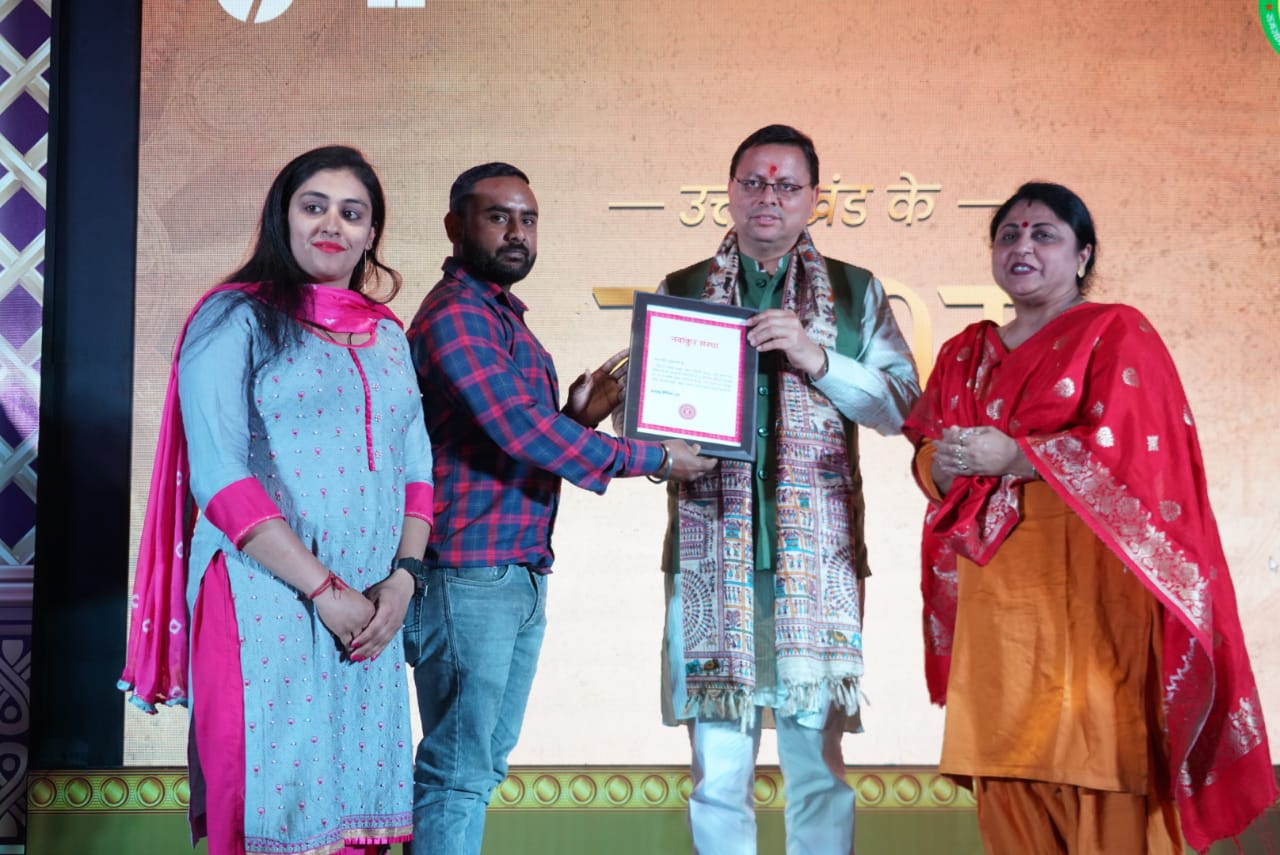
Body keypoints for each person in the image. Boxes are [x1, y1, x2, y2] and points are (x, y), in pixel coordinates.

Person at [903, 181, 1277, 854]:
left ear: (1083, 255)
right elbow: (928, 454)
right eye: (1009, 235)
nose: (1022, 246)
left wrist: (1017, 455)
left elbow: (1137, 457)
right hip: (996, 613)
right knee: (1006, 772)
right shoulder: (965, 351)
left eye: (1044, 234)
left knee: (1102, 763)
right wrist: (946, 466)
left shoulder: (1115, 332)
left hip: (1093, 600)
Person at [119, 145, 433, 855]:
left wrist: (403, 582)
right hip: (262, 593)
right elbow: (220, 477)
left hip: (371, 607)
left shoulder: (387, 334)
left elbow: (417, 467)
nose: (332, 225)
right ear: (282, 218)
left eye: (352, 213)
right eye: (314, 206)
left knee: (357, 805)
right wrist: (323, 589)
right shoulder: (235, 319)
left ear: (372, 233)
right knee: (268, 802)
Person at [404, 162, 715, 855]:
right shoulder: (456, 316)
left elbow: (517, 440)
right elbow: (518, 428)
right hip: (467, 572)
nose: (517, 232)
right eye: (498, 217)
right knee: (457, 770)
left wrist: (577, 419)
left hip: (511, 571)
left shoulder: (501, 318)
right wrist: (654, 457)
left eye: (529, 219)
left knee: (478, 766)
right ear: (455, 226)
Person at [656, 125, 920, 855]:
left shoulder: (854, 289)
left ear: (813, 198)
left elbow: (902, 406)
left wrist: (817, 355)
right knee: (717, 770)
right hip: (710, 555)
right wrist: (655, 449)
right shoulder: (683, 288)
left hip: (819, 561)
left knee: (817, 766)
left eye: (786, 185)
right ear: (730, 191)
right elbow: (654, 417)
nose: (767, 197)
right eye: (753, 182)